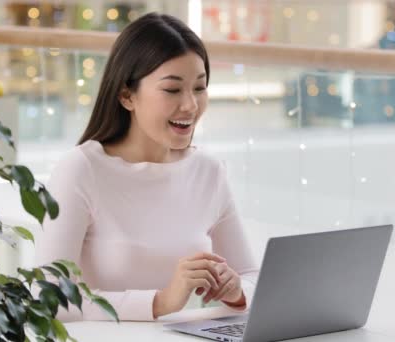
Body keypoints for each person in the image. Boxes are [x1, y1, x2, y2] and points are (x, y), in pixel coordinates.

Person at [35, 12, 258, 322]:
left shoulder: (208, 171)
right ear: (127, 95)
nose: (190, 106)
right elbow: (51, 300)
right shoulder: (81, 170)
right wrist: (160, 302)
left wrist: (236, 291)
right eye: (172, 89)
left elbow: (252, 276)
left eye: (199, 88)